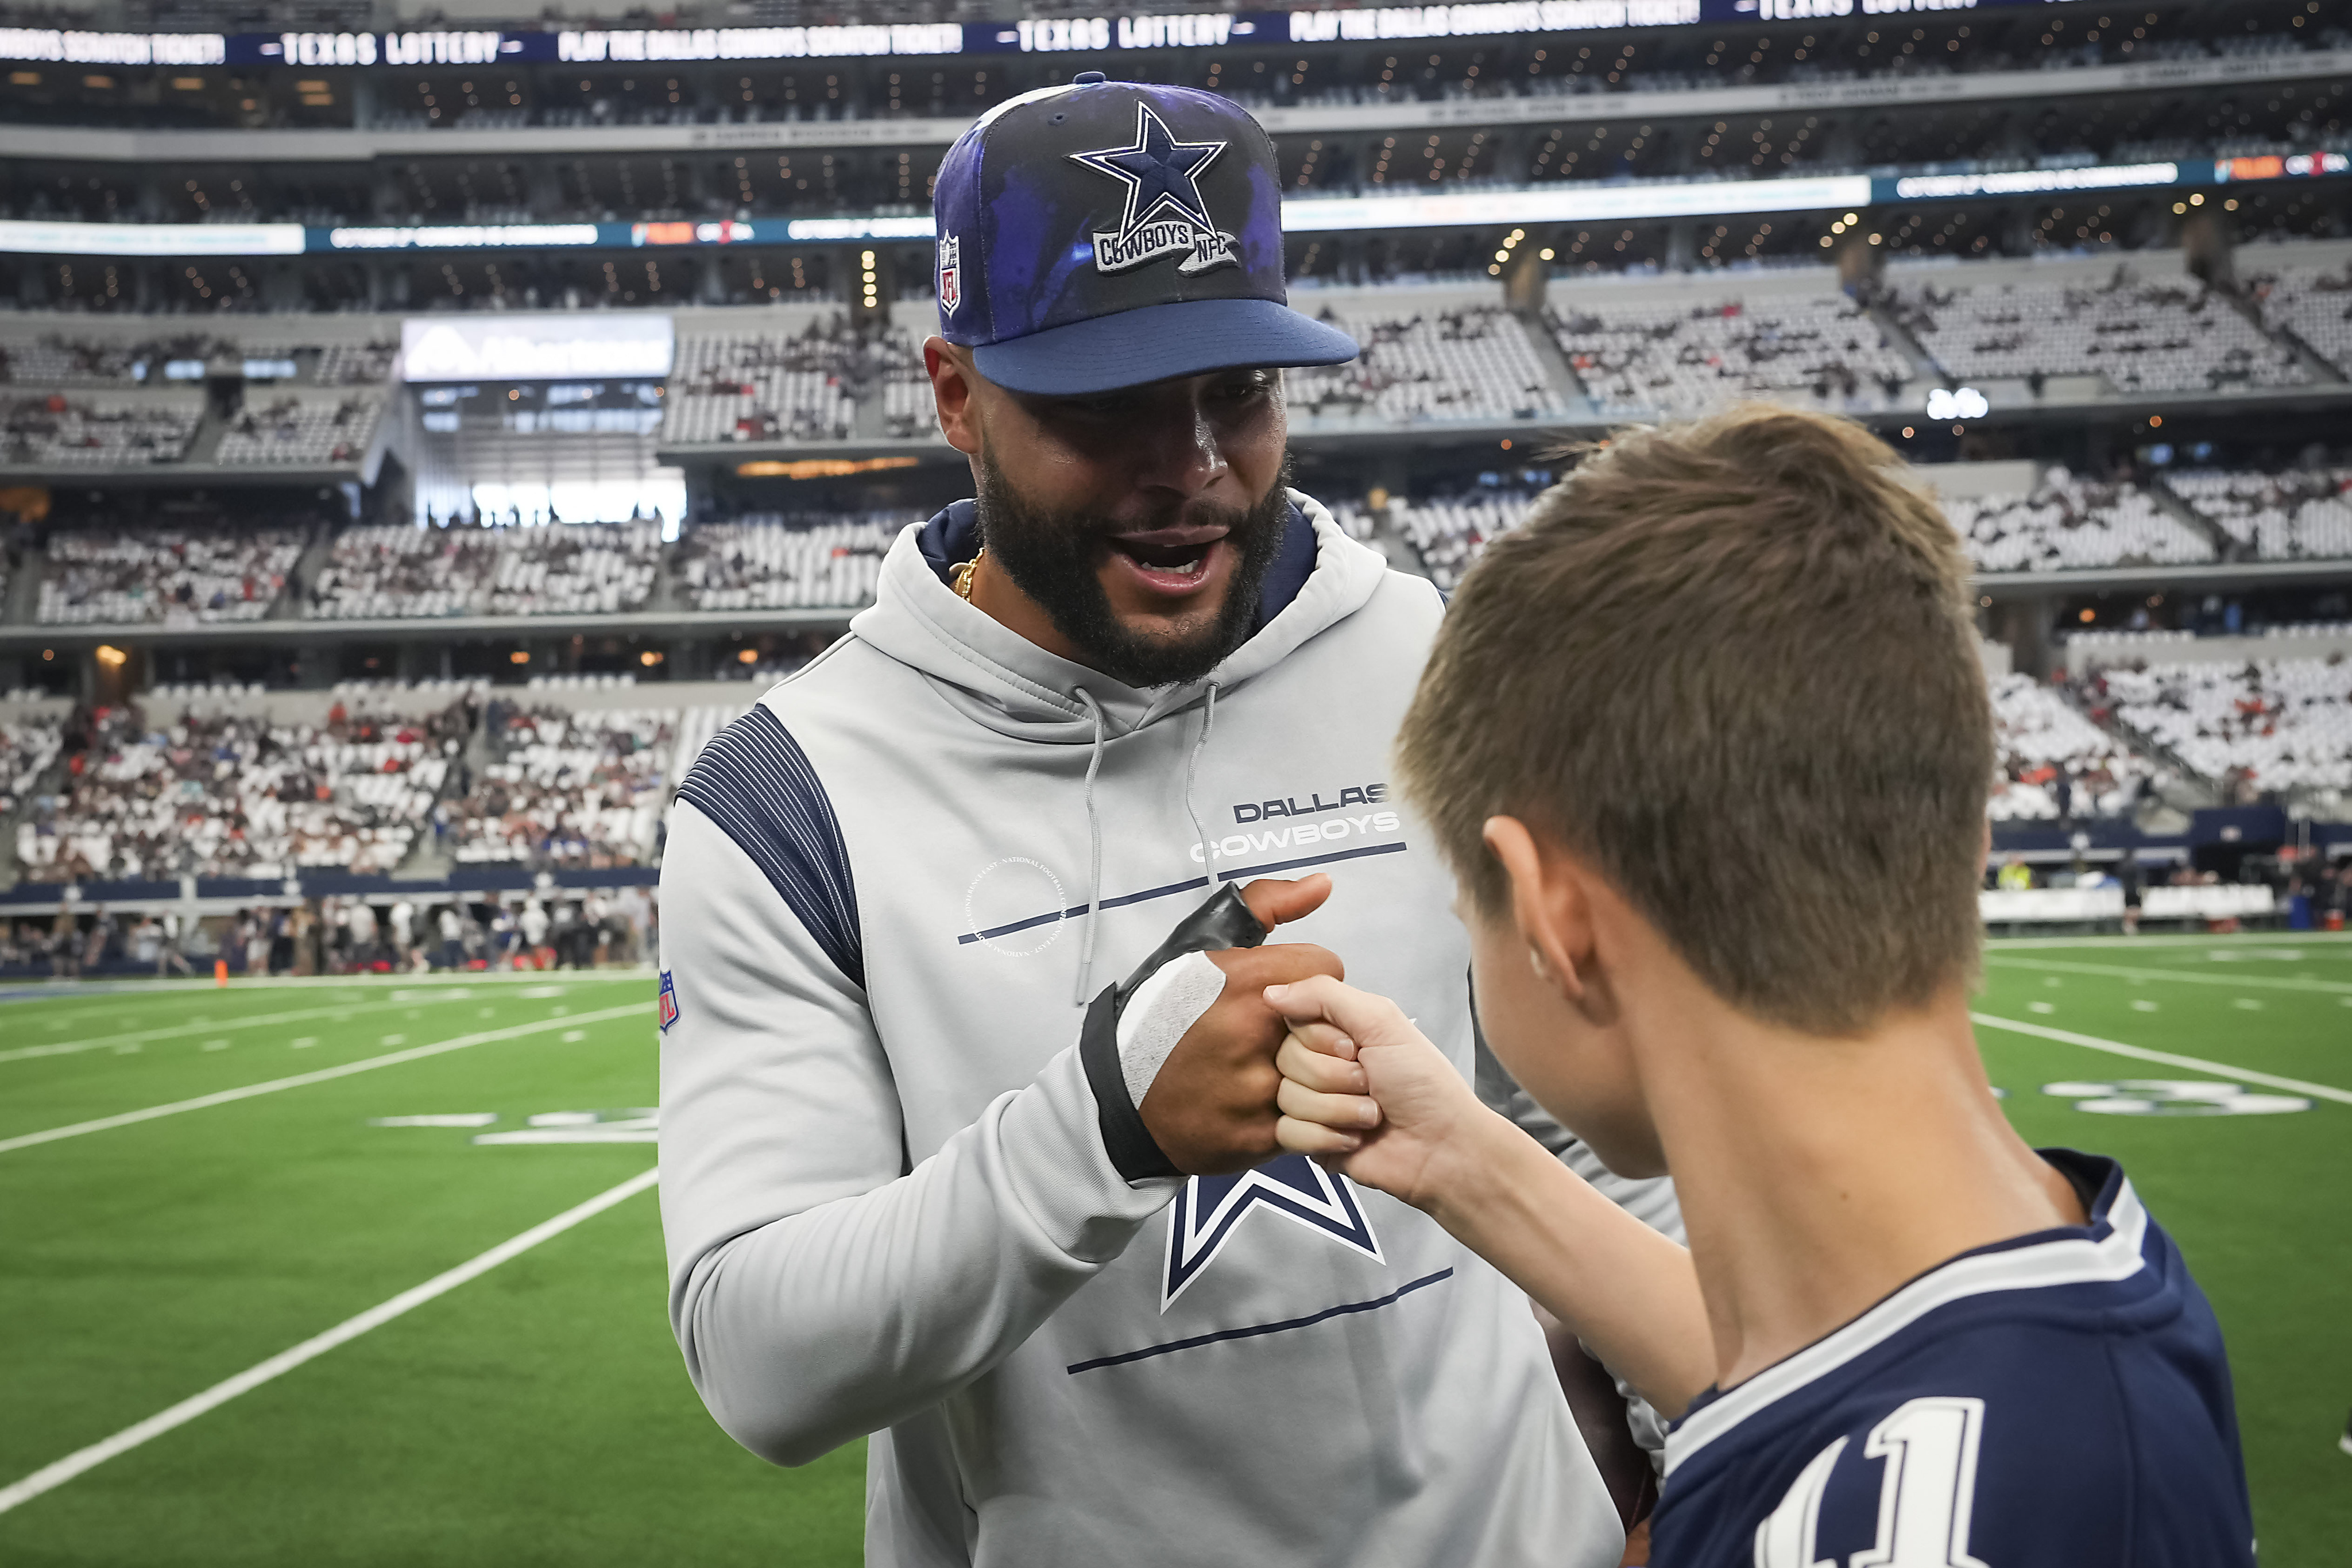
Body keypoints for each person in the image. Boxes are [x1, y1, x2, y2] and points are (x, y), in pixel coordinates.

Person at [657, 72, 1669, 1568]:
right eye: (1107, 405)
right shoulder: (789, 799)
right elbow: (763, 1356)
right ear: (957, 395)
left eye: (1236, 394)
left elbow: (1589, 1115)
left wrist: (1707, 1438)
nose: (1191, 467)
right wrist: (1108, 1127)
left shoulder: (1419, 650)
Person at [1266, 407, 2253, 1566]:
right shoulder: (2062, 1288)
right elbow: (1809, 1393)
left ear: (1554, 921)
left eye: (1465, 906)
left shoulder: (1913, 1522)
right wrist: (1458, 1159)